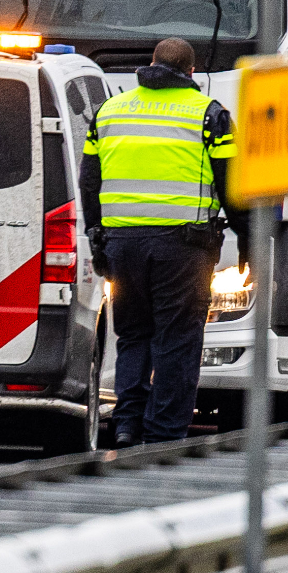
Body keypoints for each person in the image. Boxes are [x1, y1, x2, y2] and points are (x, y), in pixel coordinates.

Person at [81, 37, 247, 446]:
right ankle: (164, 434)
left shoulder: (109, 111)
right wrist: (249, 239)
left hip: (123, 245)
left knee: (133, 334)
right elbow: (233, 184)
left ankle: (125, 423)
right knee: (177, 338)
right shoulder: (209, 115)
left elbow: (89, 180)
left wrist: (96, 236)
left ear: (150, 64)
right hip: (183, 249)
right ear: (190, 73)